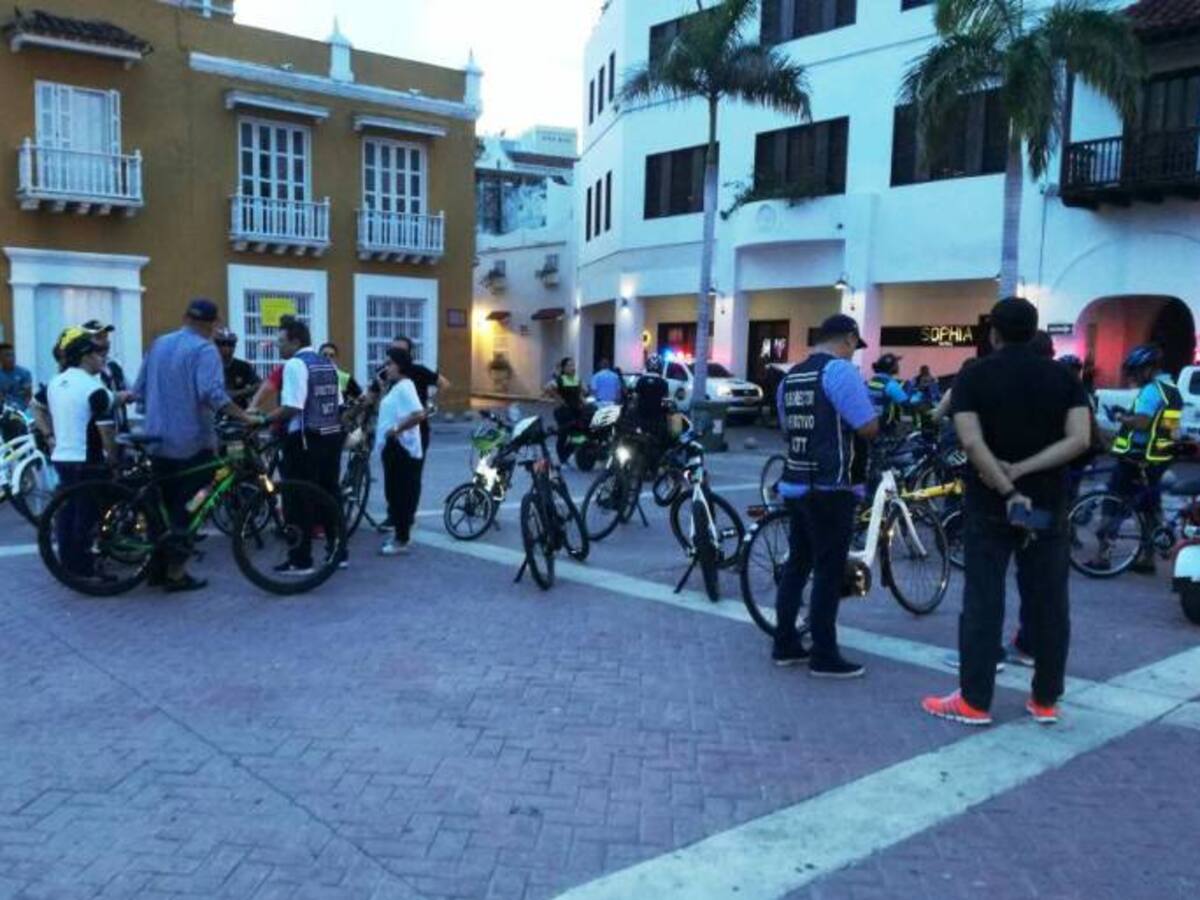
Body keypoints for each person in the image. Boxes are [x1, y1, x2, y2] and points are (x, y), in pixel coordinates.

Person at [922, 298, 1090, 727]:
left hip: (991, 506)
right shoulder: (1063, 377)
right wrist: (1027, 471)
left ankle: (975, 701)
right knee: (1049, 601)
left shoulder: (975, 375)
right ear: (1035, 331)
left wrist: (1006, 485)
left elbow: (972, 443)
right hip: (1045, 505)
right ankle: (1046, 699)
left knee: (983, 599)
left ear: (993, 333)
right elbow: (1078, 439)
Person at [773, 315, 879, 677]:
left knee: (797, 566)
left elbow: (787, 428)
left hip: (796, 482)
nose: (853, 354)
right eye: (854, 346)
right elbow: (867, 426)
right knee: (828, 572)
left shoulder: (791, 376)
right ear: (848, 339)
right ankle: (824, 653)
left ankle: (785, 642)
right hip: (833, 486)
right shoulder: (840, 373)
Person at [132, 299, 263, 592]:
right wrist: (245, 417)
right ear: (212, 323)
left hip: (155, 439)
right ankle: (176, 573)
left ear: (185, 317)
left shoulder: (159, 344)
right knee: (191, 507)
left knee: (161, 509)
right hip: (190, 443)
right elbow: (212, 394)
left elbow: (138, 389)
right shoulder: (205, 350)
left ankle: (157, 570)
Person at [265, 317, 345, 575]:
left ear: (295, 341)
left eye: (281, 341)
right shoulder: (327, 364)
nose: (279, 346)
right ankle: (338, 552)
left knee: (297, 500)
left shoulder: (295, 365)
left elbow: (292, 407)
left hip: (303, 441)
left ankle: (301, 560)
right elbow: (339, 404)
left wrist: (263, 419)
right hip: (330, 438)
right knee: (329, 495)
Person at [1095, 344, 1183, 573]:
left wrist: (1121, 416)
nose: (1132, 376)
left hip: (1137, 459)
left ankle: (1102, 556)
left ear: (1148, 369)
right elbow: (1169, 427)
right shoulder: (1171, 389)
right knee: (1148, 508)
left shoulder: (1151, 390)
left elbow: (1143, 422)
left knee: (1112, 503)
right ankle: (1148, 558)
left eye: (1135, 371)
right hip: (1158, 458)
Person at [46, 333, 117, 577]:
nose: (103, 358)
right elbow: (105, 429)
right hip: (87, 459)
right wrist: (113, 457)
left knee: (67, 513)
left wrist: (48, 435)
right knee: (87, 515)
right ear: (86, 357)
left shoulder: (56, 382)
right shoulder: (94, 387)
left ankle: (68, 563)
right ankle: (84, 567)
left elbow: (41, 406)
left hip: (62, 456)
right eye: (99, 354)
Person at [375, 347, 427, 555]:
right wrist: (382, 389)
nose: (386, 367)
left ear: (400, 365)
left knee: (400, 494)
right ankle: (399, 535)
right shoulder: (396, 387)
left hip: (402, 448)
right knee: (394, 493)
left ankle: (401, 539)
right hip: (393, 447)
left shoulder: (406, 386)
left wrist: (396, 430)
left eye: (390, 363)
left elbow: (419, 414)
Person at [546, 356, 587, 464]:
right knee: (563, 436)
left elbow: (580, 393)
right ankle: (561, 458)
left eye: (573, 365)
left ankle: (565, 455)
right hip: (564, 412)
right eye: (569, 365)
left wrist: (584, 401)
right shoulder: (560, 379)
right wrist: (558, 399)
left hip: (577, 411)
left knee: (579, 437)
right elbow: (549, 388)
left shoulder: (576, 379)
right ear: (563, 368)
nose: (572, 367)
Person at [632, 354, 671, 465]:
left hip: (641, 417)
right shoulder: (663, 383)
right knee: (664, 439)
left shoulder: (640, 381)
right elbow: (666, 402)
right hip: (656, 419)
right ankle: (660, 462)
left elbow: (635, 398)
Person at [216, 329, 261, 409]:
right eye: (222, 344)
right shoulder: (210, 366)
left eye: (230, 344)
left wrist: (237, 393)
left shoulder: (243, 366)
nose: (226, 348)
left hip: (239, 411)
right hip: (214, 412)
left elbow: (259, 385)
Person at [866, 354, 911, 434]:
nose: (898, 366)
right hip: (885, 427)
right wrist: (906, 425)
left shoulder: (870, 381)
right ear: (892, 367)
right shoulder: (890, 384)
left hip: (870, 423)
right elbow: (906, 404)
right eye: (896, 363)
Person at [0, 343, 33, 410]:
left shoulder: (24, 373)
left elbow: (28, 395)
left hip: (22, 412)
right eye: (7, 355)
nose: (11, 358)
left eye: (13, 355)